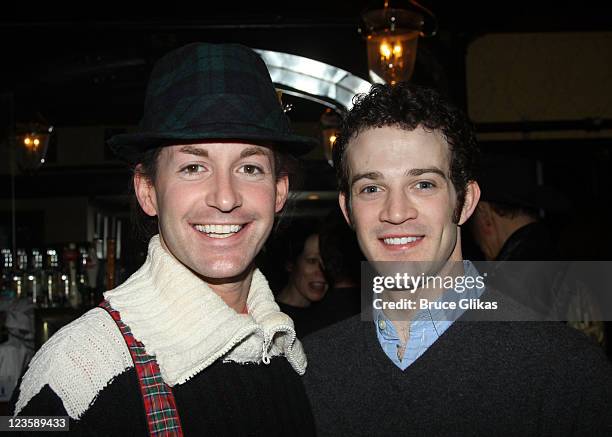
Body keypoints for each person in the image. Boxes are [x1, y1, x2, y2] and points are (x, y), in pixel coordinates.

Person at [10, 43, 317, 436]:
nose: (225, 197)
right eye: (193, 166)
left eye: (250, 167)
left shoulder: (286, 350)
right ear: (148, 191)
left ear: (278, 192)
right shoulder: (76, 367)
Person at [302, 82, 612, 436]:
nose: (396, 211)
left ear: (465, 202)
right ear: (348, 210)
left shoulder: (565, 372)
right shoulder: (310, 370)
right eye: (372, 188)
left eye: (424, 184)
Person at [273, 220, 328, 337]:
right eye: (312, 261)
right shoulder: (267, 316)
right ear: (291, 264)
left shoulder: (332, 318)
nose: (321, 271)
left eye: (327, 262)